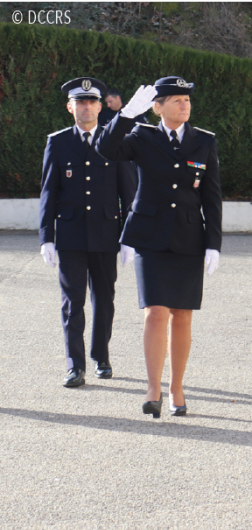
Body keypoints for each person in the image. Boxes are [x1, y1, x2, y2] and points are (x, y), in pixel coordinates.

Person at [96, 77, 222, 418]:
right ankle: (153, 388)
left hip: (189, 238)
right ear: (158, 107)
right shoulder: (142, 136)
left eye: (187, 100)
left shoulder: (203, 141)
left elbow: (211, 196)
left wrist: (214, 243)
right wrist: (125, 116)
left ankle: (176, 387)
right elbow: (104, 150)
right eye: (176, 100)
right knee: (155, 312)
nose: (184, 105)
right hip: (150, 237)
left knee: (182, 315)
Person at [39, 77, 136, 388]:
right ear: (70, 107)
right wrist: (47, 237)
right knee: (72, 302)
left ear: (99, 106)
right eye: (80, 102)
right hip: (70, 235)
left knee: (105, 299)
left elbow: (128, 192)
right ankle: (74, 365)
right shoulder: (58, 141)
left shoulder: (114, 141)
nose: (86, 107)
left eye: (92, 101)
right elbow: (48, 193)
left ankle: (101, 357)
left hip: (107, 234)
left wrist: (129, 237)